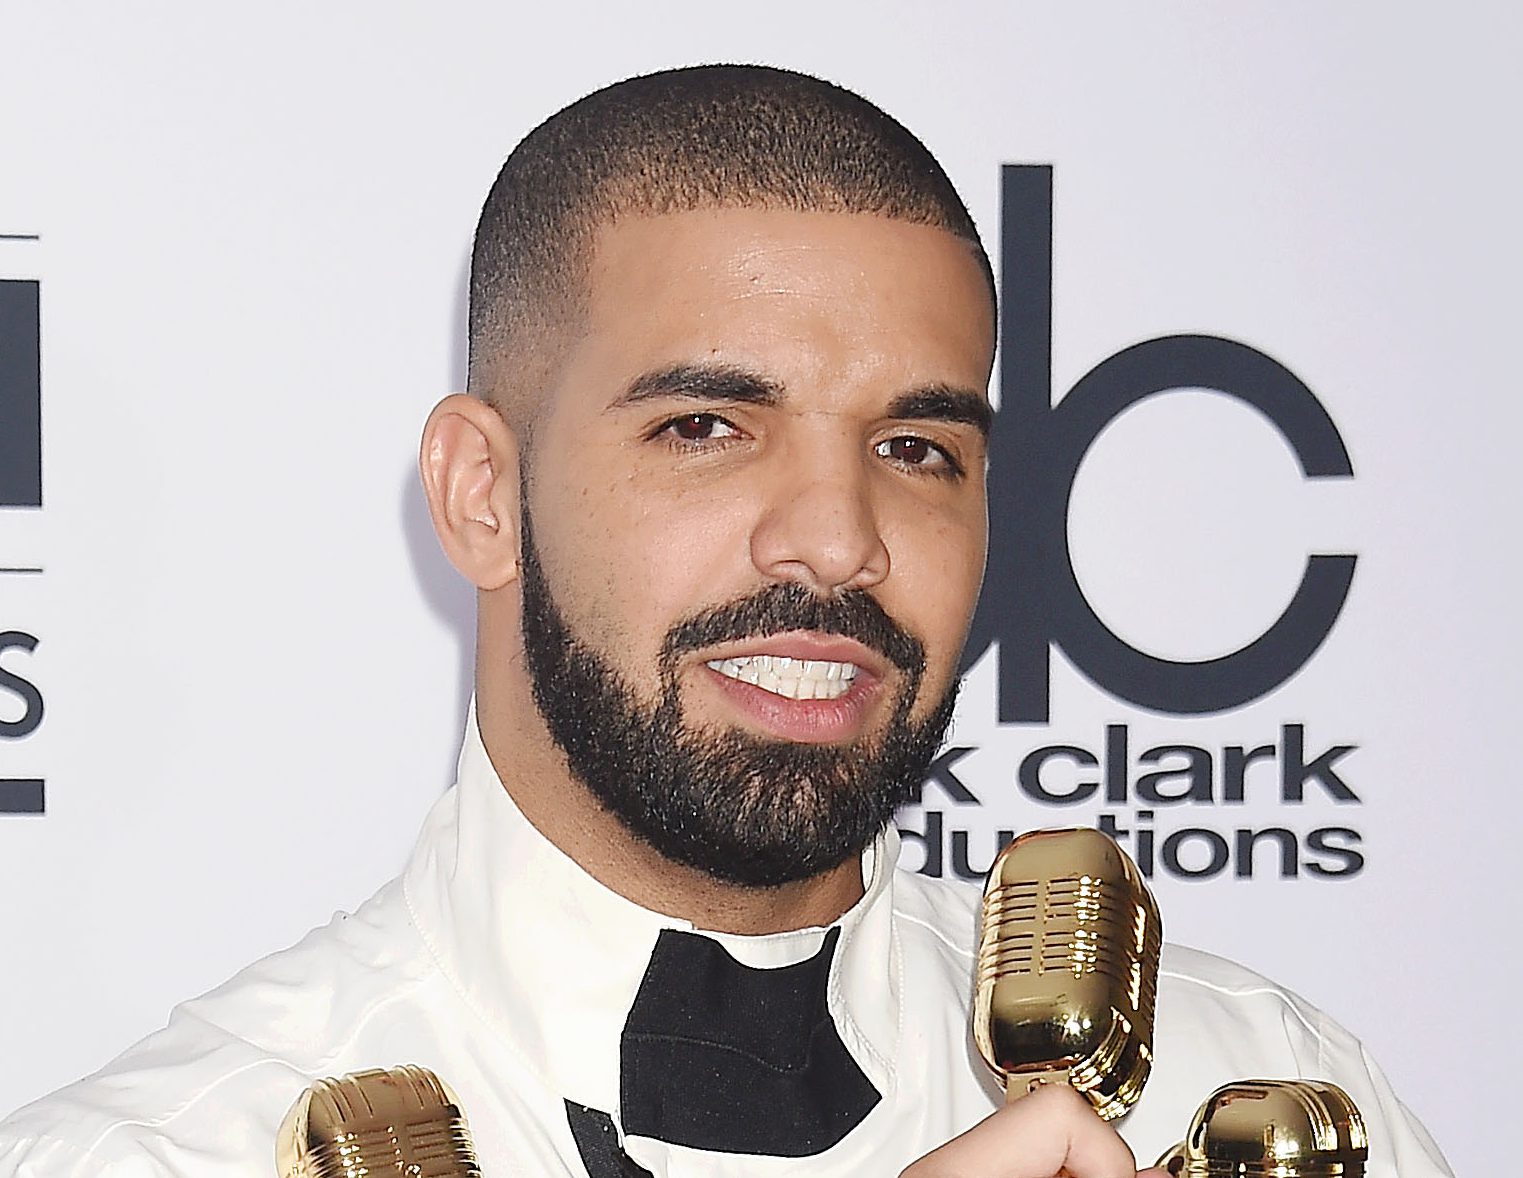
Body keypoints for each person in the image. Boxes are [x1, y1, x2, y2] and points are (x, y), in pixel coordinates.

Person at [0, 65, 1451, 1178]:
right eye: (707, 425)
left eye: (920, 448)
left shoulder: (1259, 1087)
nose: (838, 536)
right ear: (482, 493)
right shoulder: (166, 1152)